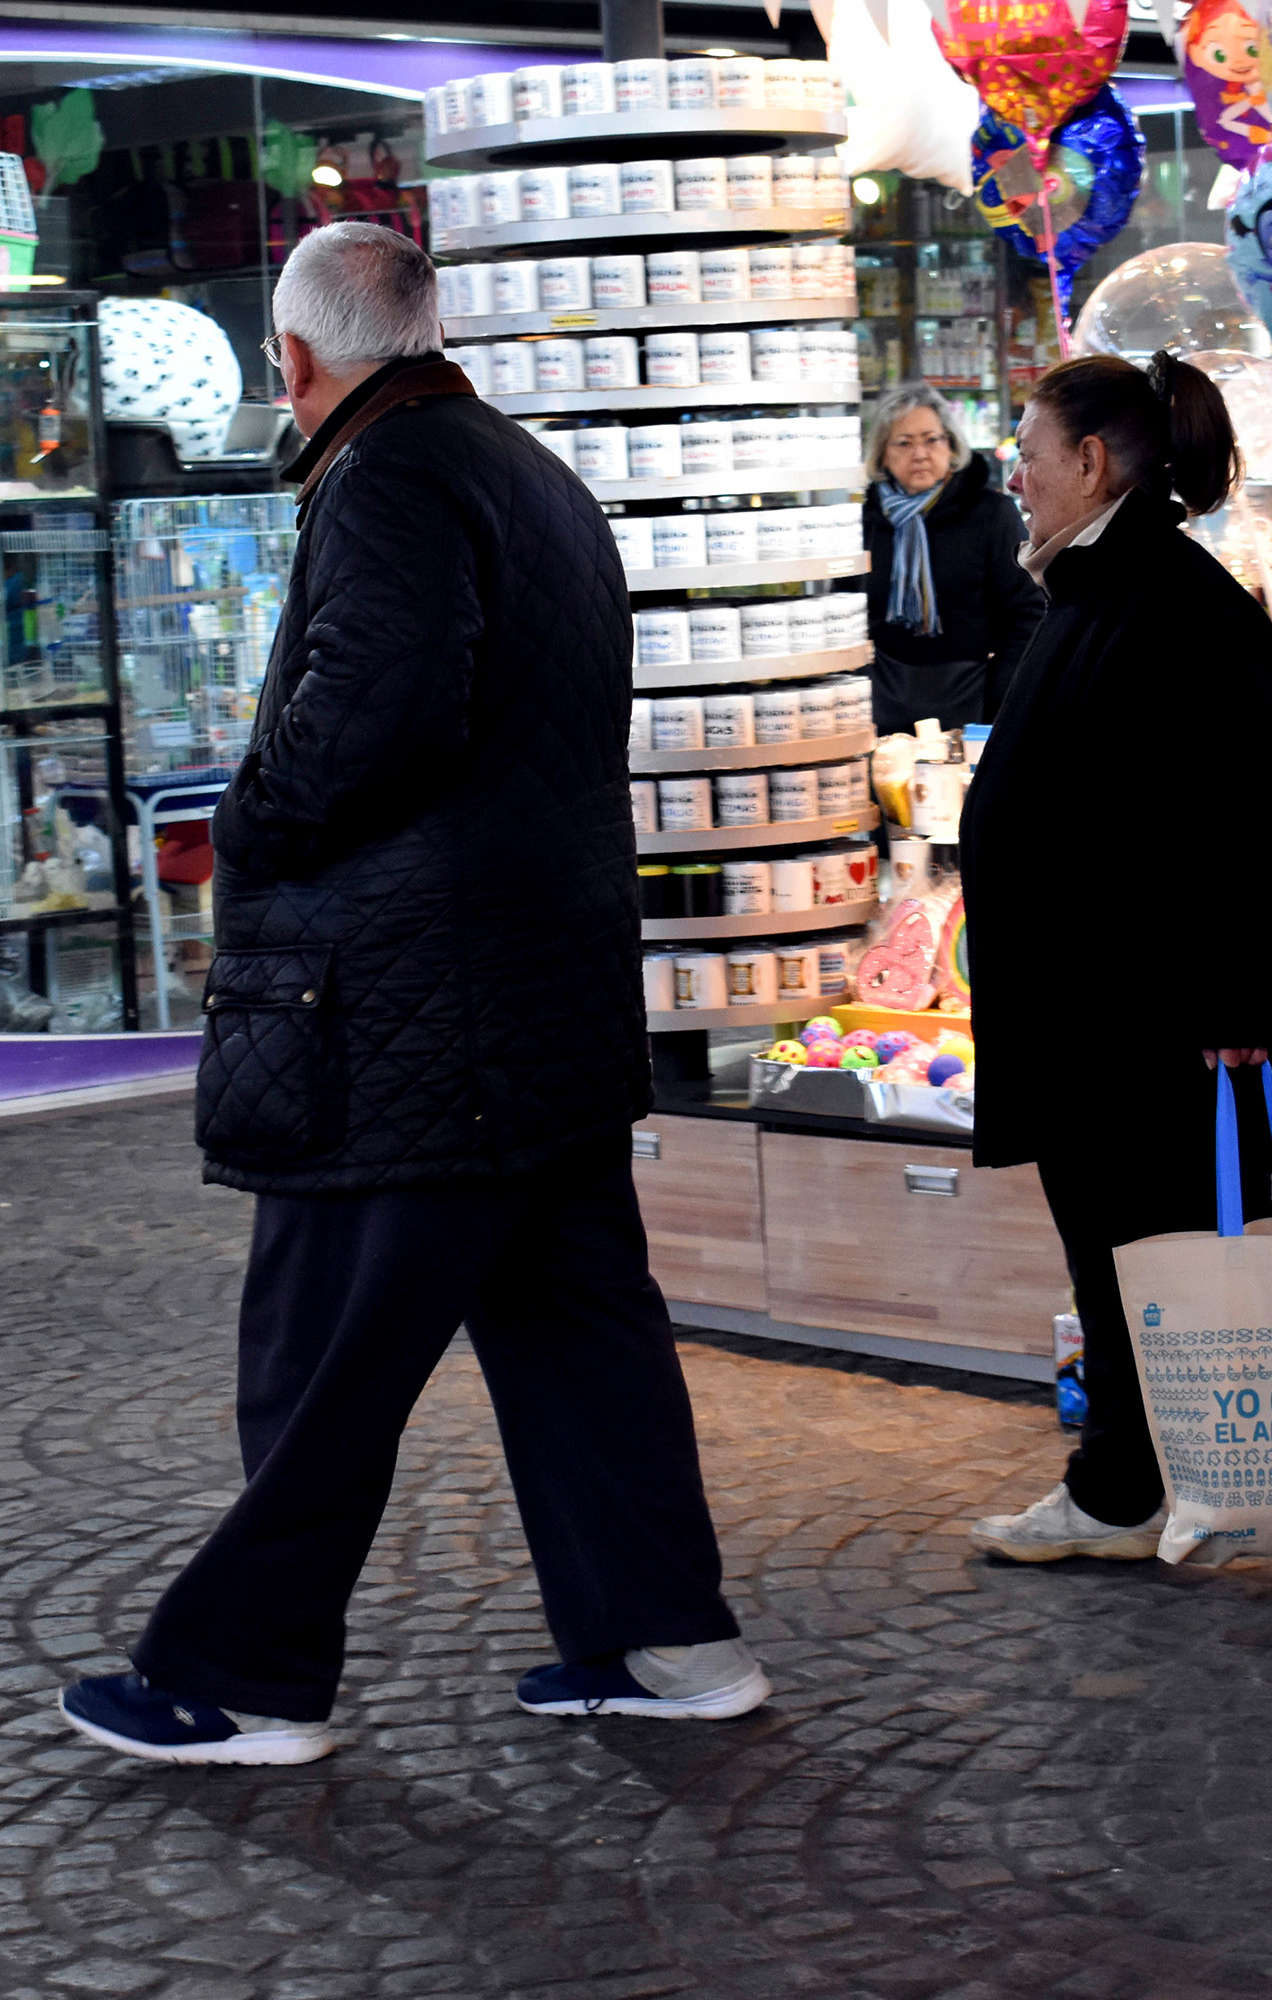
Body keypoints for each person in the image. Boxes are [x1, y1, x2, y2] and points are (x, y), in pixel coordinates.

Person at [56, 223, 764, 1767]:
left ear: (294, 363)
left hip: (401, 1014)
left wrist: (248, 822)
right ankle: (671, 1646)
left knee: (320, 1352)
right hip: (546, 1007)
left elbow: (372, 712)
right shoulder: (529, 474)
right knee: (584, 1337)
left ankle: (242, 1680)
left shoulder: (387, 480)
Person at [954, 354, 1272, 1583]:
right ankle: (1121, 1486)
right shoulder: (1099, 586)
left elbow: (1240, 820)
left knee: (1190, 1262)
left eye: (1029, 447)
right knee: (1125, 1261)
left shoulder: (1173, 602)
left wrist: (1241, 998)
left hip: (1159, 1017)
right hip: (1096, 1009)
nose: (1013, 473)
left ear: (1093, 463)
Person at [860, 383, 1045, 736]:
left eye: (932, 439)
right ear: (882, 453)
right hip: (880, 708)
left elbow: (1027, 612)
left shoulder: (991, 513)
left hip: (973, 704)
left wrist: (999, 697)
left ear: (952, 445)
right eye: (904, 442)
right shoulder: (864, 521)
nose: (919, 454)